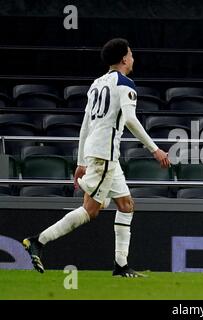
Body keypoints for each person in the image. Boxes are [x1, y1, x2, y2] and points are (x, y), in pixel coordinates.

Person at [23, 38, 170, 277]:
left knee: (126, 205)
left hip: (100, 153)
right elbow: (131, 120)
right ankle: (38, 240)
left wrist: (81, 161)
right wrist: (155, 149)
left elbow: (85, 125)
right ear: (124, 58)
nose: (133, 58)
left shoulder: (96, 84)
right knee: (91, 210)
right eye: (131, 54)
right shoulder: (125, 84)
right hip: (105, 154)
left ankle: (121, 265)